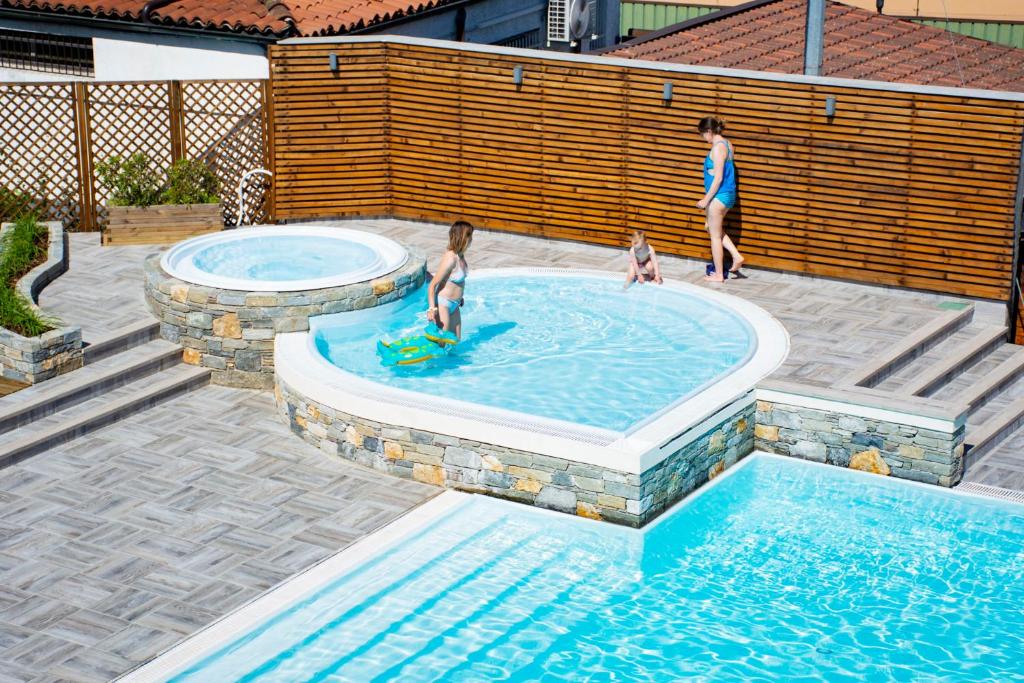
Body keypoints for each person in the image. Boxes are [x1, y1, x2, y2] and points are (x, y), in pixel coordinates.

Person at [696, 116, 745, 282]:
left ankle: (718, 274)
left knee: (714, 237)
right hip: (728, 195)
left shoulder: (717, 148)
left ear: (709, 131)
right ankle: (736, 256)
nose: (703, 138)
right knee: (711, 228)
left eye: (703, 134)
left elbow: (718, 178)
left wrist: (705, 200)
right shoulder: (729, 145)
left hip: (719, 196)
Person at [426, 220, 474, 340]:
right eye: (470, 236)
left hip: (455, 304)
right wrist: (432, 309)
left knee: (456, 340)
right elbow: (432, 285)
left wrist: (460, 296)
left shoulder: (460, 255)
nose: (471, 239)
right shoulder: (450, 258)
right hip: (444, 304)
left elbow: (455, 281)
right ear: (462, 237)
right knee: (442, 342)